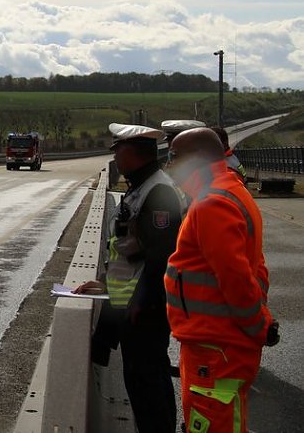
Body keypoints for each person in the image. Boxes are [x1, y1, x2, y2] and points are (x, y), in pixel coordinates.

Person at [165, 128, 278, 433]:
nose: (169, 165)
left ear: (196, 159)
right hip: (216, 343)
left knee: (215, 424)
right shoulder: (228, 190)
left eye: (173, 156)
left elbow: (237, 278)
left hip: (217, 347)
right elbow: (257, 268)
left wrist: (257, 327)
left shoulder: (212, 202)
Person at [76, 123, 186, 433]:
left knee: (149, 387)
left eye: (118, 150)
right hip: (130, 305)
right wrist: (106, 285)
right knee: (142, 386)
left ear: (133, 153)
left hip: (144, 311)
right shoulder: (142, 186)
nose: (115, 157)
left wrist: (142, 301)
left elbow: (160, 255)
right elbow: (128, 252)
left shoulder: (158, 191)